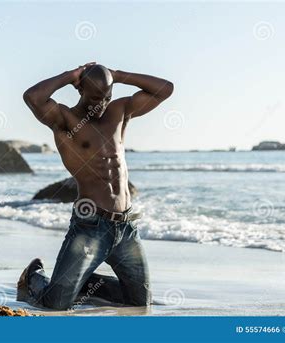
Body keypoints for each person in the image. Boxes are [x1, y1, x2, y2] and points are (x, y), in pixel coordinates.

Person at [17, 62, 173, 310]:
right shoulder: (66, 119)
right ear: (80, 90)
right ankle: (33, 278)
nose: (101, 104)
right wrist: (71, 75)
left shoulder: (120, 111)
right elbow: (33, 97)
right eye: (95, 97)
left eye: (106, 97)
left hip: (126, 228)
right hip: (90, 226)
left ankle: (79, 280)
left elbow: (165, 89)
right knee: (56, 305)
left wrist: (118, 75)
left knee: (139, 303)